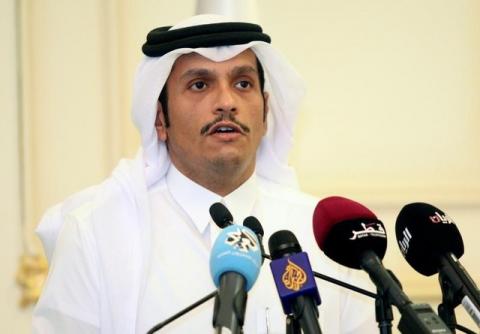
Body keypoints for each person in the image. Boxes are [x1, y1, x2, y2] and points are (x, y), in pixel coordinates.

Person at [32, 14, 376, 333]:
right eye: (199, 85)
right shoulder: (96, 236)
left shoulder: (329, 237)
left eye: (242, 83)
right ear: (159, 120)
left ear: (266, 112)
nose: (226, 102)